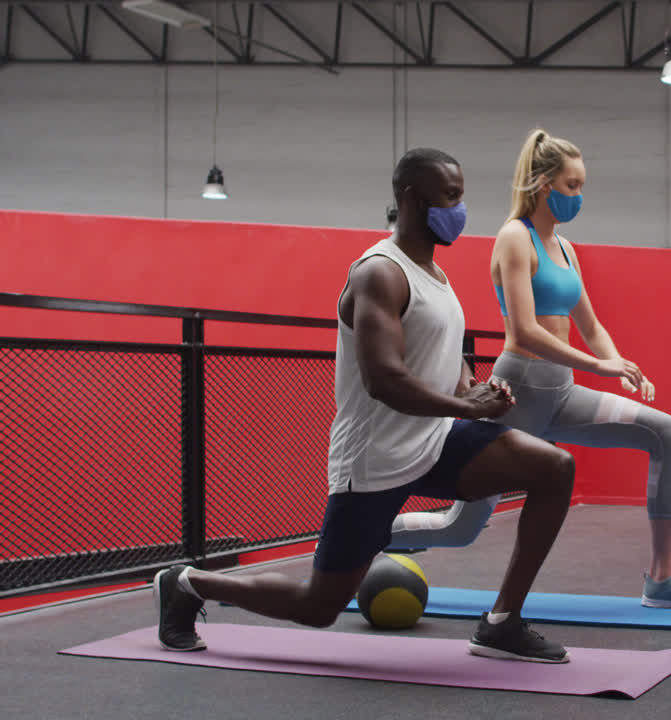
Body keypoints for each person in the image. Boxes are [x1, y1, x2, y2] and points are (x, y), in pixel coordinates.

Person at [153, 148, 576, 664]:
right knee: (318, 605)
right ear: (409, 198)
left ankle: (501, 623)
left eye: (461, 196)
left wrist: (476, 392)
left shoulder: (435, 276)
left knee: (553, 468)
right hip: (376, 459)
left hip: (436, 439)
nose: (459, 209)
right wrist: (468, 409)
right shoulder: (379, 273)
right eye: (449, 197)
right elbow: (384, 380)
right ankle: (187, 583)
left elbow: (440, 363)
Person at [388, 129, 671, 612]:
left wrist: (621, 364)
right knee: (460, 529)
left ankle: (663, 580)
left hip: (561, 394)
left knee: (666, 432)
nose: (578, 196)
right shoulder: (513, 237)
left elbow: (590, 324)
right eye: (572, 185)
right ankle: (367, 535)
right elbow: (523, 333)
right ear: (543, 185)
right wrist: (598, 364)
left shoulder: (565, 248)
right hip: (517, 393)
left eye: (581, 186)